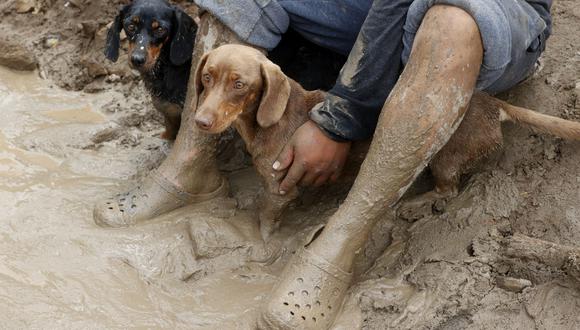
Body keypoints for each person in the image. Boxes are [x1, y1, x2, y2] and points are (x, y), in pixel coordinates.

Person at [95, 0, 552, 328]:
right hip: (370, 7)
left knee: (449, 19)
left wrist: (339, 117)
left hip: (492, 11)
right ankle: (191, 164)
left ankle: (345, 236)